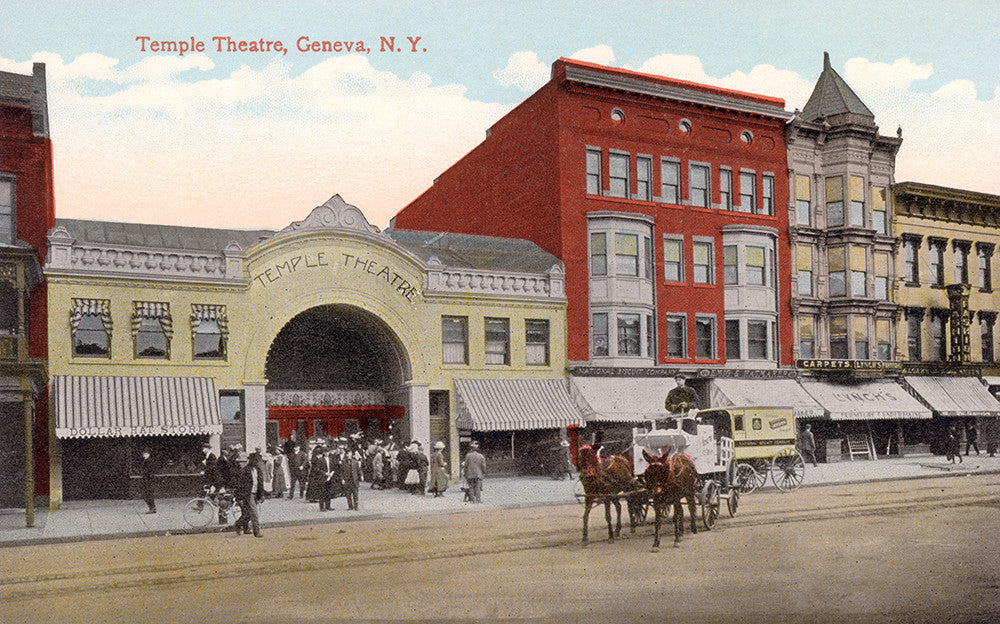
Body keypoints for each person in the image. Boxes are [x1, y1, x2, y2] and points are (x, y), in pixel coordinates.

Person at [231, 452, 263, 538]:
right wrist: (239, 497)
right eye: (255, 460)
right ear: (251, 460)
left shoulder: (258, 470)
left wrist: (262, 495)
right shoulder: (245, 470)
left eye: (257, 460)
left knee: (248, 513)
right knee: (254, 513)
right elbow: (240, 485)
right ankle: (257, 532)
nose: (257, 462)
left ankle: (238, 524)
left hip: (255, 493)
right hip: (248, 495)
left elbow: (260, 483)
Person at [139, 448, 156, 514]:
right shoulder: (146, 461)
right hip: (147, 480)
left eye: (146, 454)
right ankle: (152, 507)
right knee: (147, 494)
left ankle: (152, 508)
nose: (145, 455)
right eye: (144, 454)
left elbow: (149, 471)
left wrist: (144, 474)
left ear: (149, 454)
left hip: (148, 480)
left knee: (147, 494)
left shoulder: (149, 461)